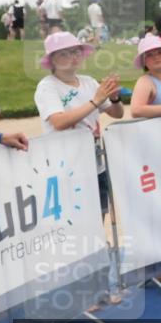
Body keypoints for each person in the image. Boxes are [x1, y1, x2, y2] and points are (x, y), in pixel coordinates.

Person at [34, 31, 125, 217]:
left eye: (75, 52)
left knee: (100, 214)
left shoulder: (88, 82)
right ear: (52, 61)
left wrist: (114, 98)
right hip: (67, 167)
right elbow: (58, 122)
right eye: (64, 53)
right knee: (74, 218)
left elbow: (117, 114)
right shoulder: (47, 86)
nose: (72, 57)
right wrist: (95, 101)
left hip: (95, 163)